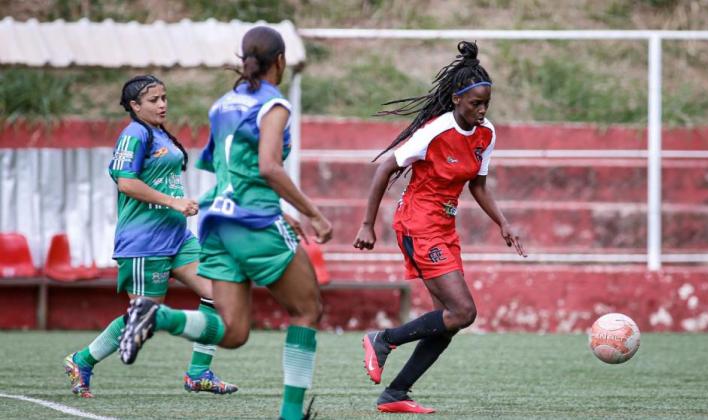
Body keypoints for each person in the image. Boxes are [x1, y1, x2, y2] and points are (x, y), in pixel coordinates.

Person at [117, 27, 332, 420]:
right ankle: (290, 415)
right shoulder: (274, 104)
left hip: (218, 224)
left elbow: (227, 172)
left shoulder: (222, 106)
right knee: (307, 309)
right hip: (253, 221)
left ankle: (156, 314)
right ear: (280, 61)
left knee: (233, 331)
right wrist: (311, 212)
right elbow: (268, 166)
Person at [353, 41, 527, 414]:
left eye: (486, 104)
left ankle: (395, 393)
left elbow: (477, 184)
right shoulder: (434, 131)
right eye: (475, 104)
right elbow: (385, 167)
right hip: (417, 223)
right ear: (455, 99)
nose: (481, 111)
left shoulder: (486, 135)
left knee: (446, 324)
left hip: (444, 226)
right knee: (463, 312)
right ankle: (382, 339)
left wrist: (503, 223)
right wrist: (368, 224)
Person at [63, 75, 237, 398]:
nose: (162, 104)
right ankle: (81, 360)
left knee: (219, 291)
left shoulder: (160, 135)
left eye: (164, 98)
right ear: (134, 106)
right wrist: (173, 201)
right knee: (143, 318)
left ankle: (198, 373)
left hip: (177, 238)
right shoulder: (133, 135)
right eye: (154, 100)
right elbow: (126, 183)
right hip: (144, 242)